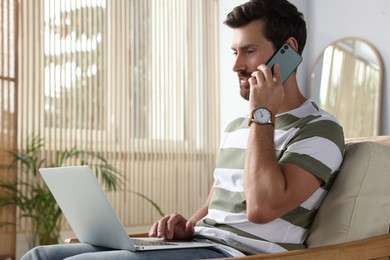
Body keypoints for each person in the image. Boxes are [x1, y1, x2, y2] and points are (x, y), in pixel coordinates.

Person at [22, 0, 344, 259]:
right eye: (235, 52)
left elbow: (261, 208)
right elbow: (218, 203)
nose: (235, 65)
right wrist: (188, 225)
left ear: (288, 51)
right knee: (39, 255)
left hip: (241, 254)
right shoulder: (237, 126)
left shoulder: (319, 130)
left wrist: (262, 114)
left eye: (248, 50)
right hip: (199, 244)